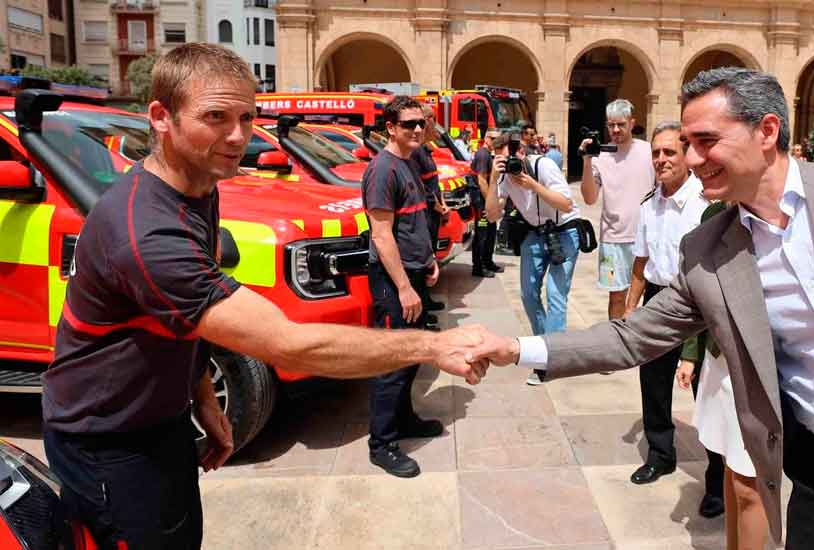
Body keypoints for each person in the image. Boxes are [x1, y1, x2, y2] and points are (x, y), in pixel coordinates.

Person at [470, 67, 814, 549]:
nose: (692, 159)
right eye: (688, 144)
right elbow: (631, 336)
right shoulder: (709, 250)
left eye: (707, 141)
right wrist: (515, 348)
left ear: (767, 131)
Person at [41, 44, 487, 550]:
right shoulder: (145, 231)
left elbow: (184, 321)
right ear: (161, 118)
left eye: (248, 117)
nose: (238, 137)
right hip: (108, 442)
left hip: (158, 422)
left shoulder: (198, 186)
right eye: (215, 117)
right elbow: (289, 343)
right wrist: (433, 347)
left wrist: (202, 398)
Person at [622, 120, 725, 518]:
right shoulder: (650, 206)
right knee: (654, 382)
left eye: (670, 152)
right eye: (656, 152)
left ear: (686, 156)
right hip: (657, 298)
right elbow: (641, 261)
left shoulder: (706, 204)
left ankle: (717, 480)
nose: (661, 160)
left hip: (699, 304)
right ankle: (660, 454)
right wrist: (631, 308)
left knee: (706, 392)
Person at [364, 95, 454, 477]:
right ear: (390, 128)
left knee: (411, 355)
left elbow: (413, 223)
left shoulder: (409, 162)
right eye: (408, 125)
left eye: (420, 123)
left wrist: (429, 261)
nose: (417, 130)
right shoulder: (383, 170)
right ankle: (381, 443)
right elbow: (382, 236)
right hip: (392, 282)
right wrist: (404, 287)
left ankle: (404, 420)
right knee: (392, 363)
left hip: (413, 272)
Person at [677, 204, 769, 548]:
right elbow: (700, 295)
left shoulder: (782, 217)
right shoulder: (713, 215)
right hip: (719, 362)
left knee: (750, 484)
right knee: (732, 473)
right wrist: (690, 354)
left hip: (758, 370)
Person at [484, 131, 581, 386]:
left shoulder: (544, 165)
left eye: (509, 160)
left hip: (565, 231)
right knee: (528, 294)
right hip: (535, 233)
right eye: (501, 162)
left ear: (521, 152)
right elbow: (492, 215)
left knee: (556, 294)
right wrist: (494, 180)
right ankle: (544, 348)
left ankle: (551, 360)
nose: (509, 167)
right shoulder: (503, 177)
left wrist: (533, 185)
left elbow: (567, 204)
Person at [580, 99, 656, 323]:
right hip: (613, 240)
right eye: (610, 125)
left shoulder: (649, 151)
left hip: (646, 237)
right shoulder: (600, 156)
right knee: (616, 297)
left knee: (650, 298)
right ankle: (617, 346)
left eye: (620, 124)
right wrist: (586, 160)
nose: (615, 130)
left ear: (632, 123)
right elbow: (589, 197)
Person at [410, 103, 449, 323]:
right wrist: (436, 206)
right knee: (424, 260)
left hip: (434, 212)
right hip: (425, 213)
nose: (434, 122)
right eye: (431, 117)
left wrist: (443, 204)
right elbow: (421, 187)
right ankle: (421, 313)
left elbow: (434, 182)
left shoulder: (426, 149)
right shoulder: (416, 152)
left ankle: (427, 300)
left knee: (430, 256)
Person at [470, 128, 504, 277]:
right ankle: (478, 267)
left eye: (498, 139)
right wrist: (488, 203)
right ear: (486, 138)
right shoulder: (483, 155)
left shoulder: (488, 155)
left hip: (486, 200)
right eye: (493, 138)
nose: (496, 142)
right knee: (482, 234)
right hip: (481, 201)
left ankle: (488, 261)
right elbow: (481, 180)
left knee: (490, 232)